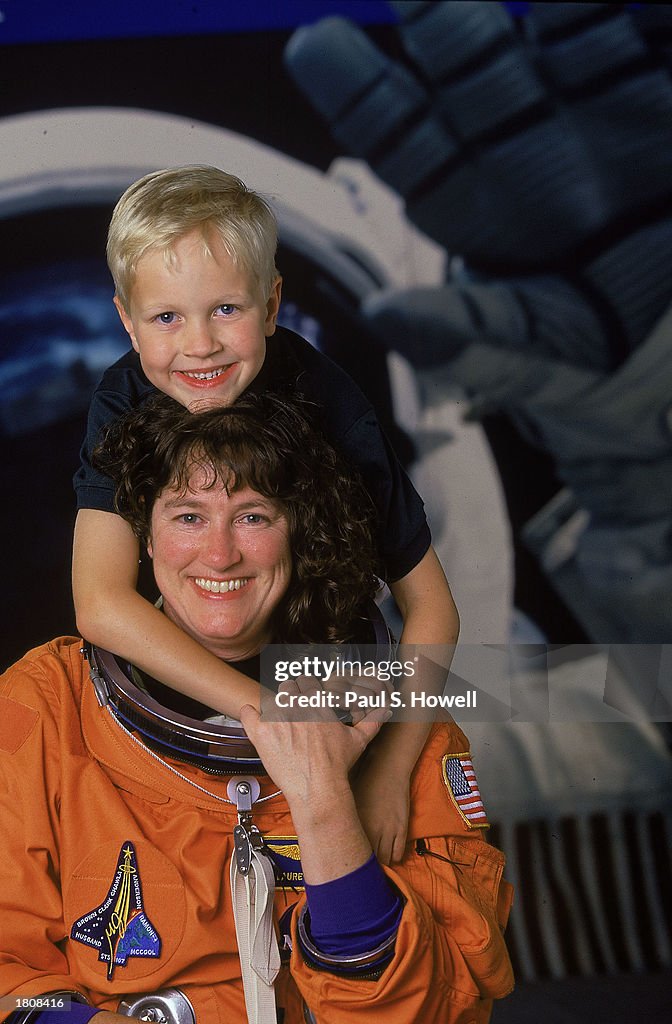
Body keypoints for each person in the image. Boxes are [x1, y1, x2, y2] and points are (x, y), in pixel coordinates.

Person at [1, 393, 513, 1024]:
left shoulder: (402, 721)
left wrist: (324, 802)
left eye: (253, 517)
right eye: (187, 517)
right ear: (144, 535)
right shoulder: (46, 710)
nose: (220, 555)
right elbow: (7, 969)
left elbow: (424, 1009)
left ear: (299, 531)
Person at [71, 165, 460, 865]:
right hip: (218, 687)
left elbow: (432, 608)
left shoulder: (332, 404)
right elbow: (99, 603)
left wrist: (390, 770)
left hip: (321, 667)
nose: (201, 345)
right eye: (166, 317)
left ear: (273, 304)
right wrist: (263, 712)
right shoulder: (121, 398)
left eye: (227, 309)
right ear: (126, 321)